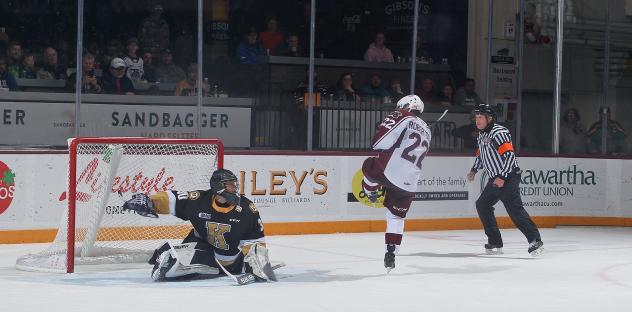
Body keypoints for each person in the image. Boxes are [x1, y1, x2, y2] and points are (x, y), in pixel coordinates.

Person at [121, 169, 276, 282]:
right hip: (202, 247)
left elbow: (255, 241)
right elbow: (173, 198)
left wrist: (257, 265)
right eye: (229, 185)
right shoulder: (199, 200)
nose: (234, 189)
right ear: (218, 187)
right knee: (181, 256)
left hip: (230, 261)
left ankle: (175, 264)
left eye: (234, 185)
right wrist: (150, 201)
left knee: (182, 263)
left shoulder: (247, 210)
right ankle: (170, 261)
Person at [361, 95, 431, 271]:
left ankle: (370, 191)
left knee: (369, 166)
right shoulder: (428, 130)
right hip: (409, 183)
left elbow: (379, 142)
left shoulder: (402, 115)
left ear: (405, 106)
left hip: (388, 171)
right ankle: (391, 252)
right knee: (396, 217)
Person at [466, 104, 543, 256]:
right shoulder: (482, 134)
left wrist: (502, 177)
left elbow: (509, 156)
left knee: (514, 209)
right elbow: (481, 154)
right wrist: (474, 169)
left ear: (489, 118)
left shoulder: (499, 132)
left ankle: (535, 240)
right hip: (496, 178)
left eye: (480, 117)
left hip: (508, 177)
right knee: (482, 204)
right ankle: (495, 241)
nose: (477, 120)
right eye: (476, 117)